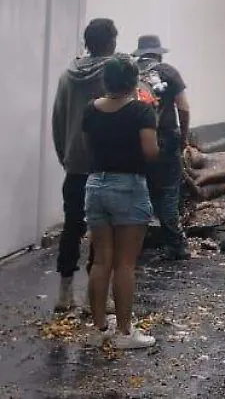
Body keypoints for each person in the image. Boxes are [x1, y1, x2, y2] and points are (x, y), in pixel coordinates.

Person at [82, 55, 159, 349]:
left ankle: (100, 328)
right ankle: (125, 333)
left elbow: (90, 148)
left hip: (96, 184)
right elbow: (150, 152)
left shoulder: (91, 110)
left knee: (102, 260)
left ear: (106, 80)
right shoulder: (141, 111)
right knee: (125, 264)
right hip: (128, 185)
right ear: (132, 81)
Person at [51, 18, 118, 311]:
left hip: (74, 165)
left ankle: (64, 294)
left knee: (72, 227)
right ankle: (96, 298)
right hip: (105, 165)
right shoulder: (113, 74)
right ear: (110, 42)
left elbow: (57, 121)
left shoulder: (67, 76)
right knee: (102, 231)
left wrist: (66, 155)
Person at [132, 34, 191, 260]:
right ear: (158, 53)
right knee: (168, 191)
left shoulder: (132, 73)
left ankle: (137, 241)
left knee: (141, 189)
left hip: (137, 142)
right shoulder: (169, 72)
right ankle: (174, 244)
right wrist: (183, 137)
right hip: (166, 139)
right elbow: (184, 108)